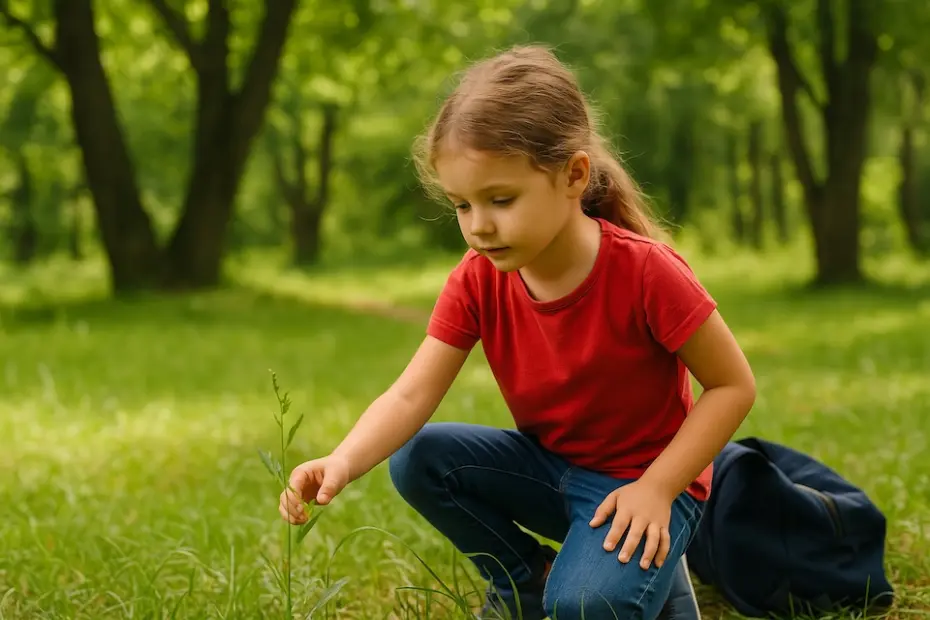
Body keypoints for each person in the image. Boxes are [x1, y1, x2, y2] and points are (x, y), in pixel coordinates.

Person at [278, 45, 756, 620]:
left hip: (647, 484)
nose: (479, 226)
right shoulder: (478, 278)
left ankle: (647, 567)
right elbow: (410, 395)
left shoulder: (646, 271)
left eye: (500, 200)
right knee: (419, 458)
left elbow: (732, 386)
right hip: (550, 473)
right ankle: (522, 580)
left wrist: (658, 489)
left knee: (584, 605)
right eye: (462, 205)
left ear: (573, 175)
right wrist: (342, 460)